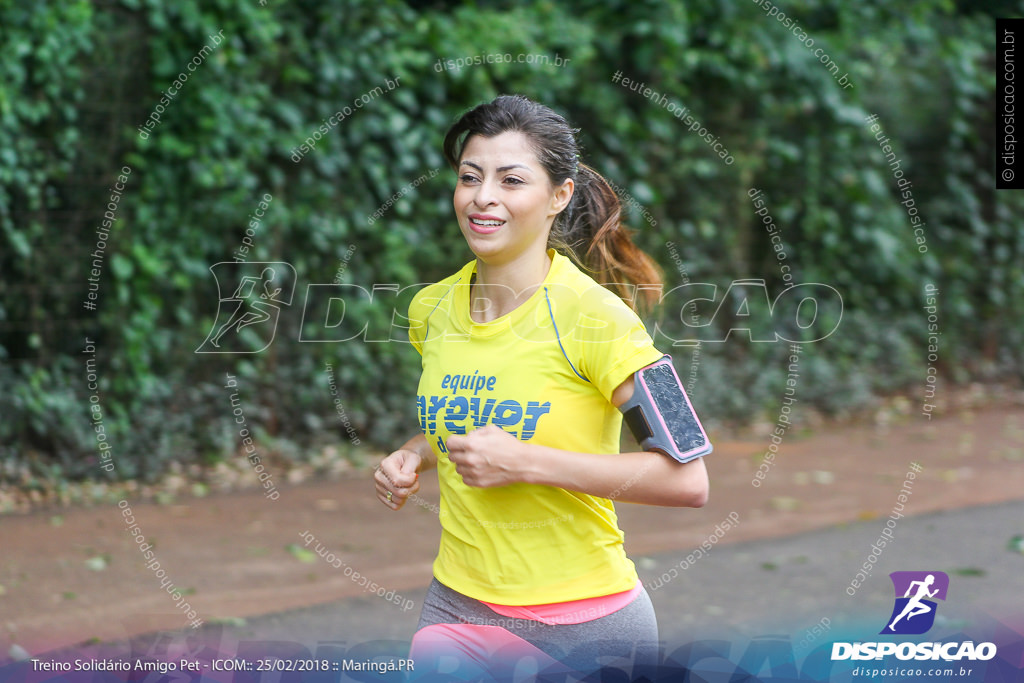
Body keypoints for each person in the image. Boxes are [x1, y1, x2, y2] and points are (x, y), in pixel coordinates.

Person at [373, 94, 710, 678]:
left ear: (559, 196)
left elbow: (688, 480)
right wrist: (412, 453)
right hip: (456, 604)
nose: (483, 196)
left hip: (586, 627)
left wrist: (525, 463)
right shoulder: (430, 310)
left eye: (511, 180)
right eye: (470, 177)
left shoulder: (602, 320)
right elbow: (470, 415)